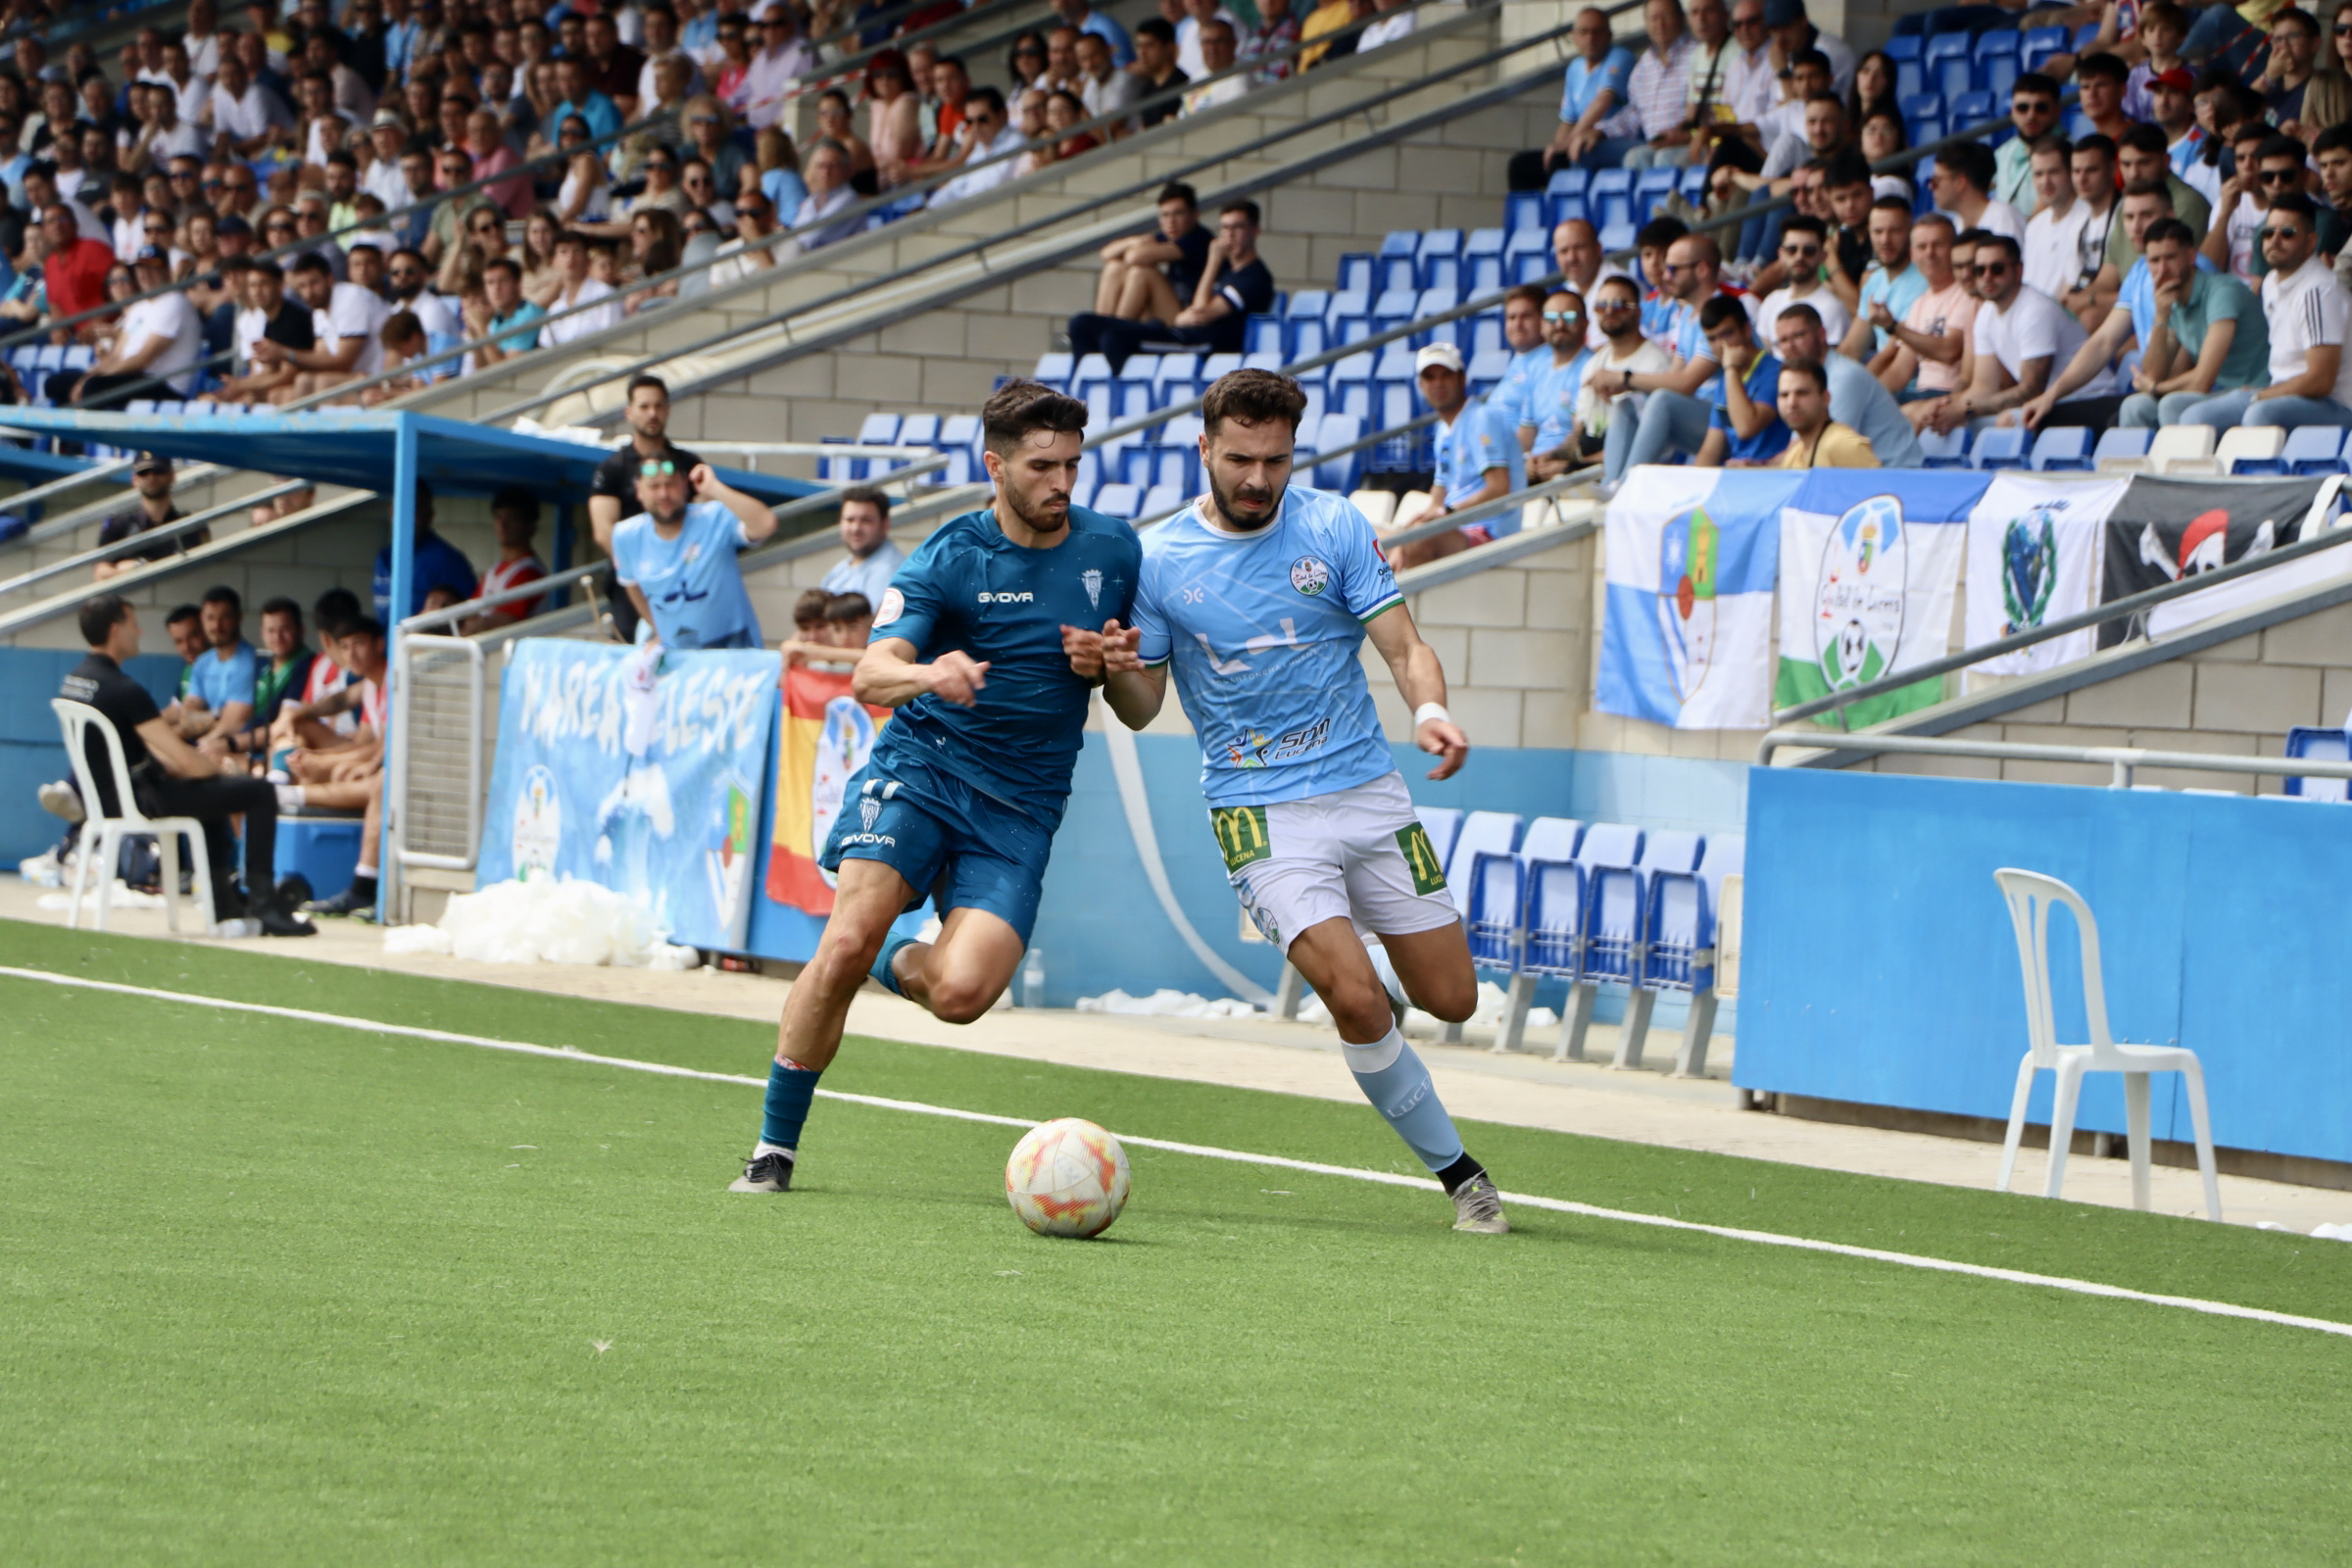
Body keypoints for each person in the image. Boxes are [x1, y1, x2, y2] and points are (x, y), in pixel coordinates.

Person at [1094, 368, 1502, 1233]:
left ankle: (1379, 973)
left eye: (1275, 461)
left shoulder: (1335, 525)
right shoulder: (1160, 560)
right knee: (1354, 1002)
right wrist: (1122, 674)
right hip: (1258, 810)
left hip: (1368, 794)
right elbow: (1142, 711)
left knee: (1455, 1000)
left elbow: (1406, 645)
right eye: (1240, 459)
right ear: (1204, 448)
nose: (1257, 479)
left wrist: (1430, 710)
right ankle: (1463, 1178)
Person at [729, 381, 1143, 1197]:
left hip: (1022, 807)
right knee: (840, 945)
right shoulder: (951, 557)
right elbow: (869, 673)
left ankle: (887, 945)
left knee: (959, 995)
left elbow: (1139, 705)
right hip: (925, 770)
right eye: (1041, 466)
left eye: (1072, 465)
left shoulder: (1114, 551)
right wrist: (929, 672)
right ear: (995, 466)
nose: (1061, 484)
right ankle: (775, 1148)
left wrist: (1109, 670)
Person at [62, 594, 313, 937]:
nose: (139, 631)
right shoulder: (123, 689)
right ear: (115, 630)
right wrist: (217, 769)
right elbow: (182, 757)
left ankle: (224, 904)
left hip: (107, 798)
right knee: (258, 791)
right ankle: (263, 904)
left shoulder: (74, 681)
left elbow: (148, 751)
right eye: (133, 623)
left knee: (209, 795)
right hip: (142, 799)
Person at [2180, 193, 2352, 431]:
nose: (2275, 240)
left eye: (2287, 233)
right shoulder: (2270, 282)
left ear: (2311, 241)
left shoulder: (2319, 290)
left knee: (2261, 414)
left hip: (2332, 404)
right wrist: (2266, 393)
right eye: (2268, 233)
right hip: (2281, 394)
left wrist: (2266, 394)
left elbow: (2320, 381)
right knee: (2189, 415)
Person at [1602, 230, 1751, 484]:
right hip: (1701, 416)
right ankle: (1611, 484)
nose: (1665, 274)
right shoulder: (1684, 315)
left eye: (1673, 268)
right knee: (1628, 405)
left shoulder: (1720, 314)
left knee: (1662, 400)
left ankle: (1627, 485)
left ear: (1702, 269)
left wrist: (1625, 377)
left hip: (1731, 419)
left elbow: (1686, 383)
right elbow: (1675, 376)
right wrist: (1630, 386)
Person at [1926, 234, 2108, 435]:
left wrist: (1965, 408)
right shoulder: (1986, 314)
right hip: (2049, 405)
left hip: (2090, 399)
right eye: (1979, 270)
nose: (1987, 276)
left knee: (2007, 421)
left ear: (2018, 270)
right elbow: (1984, 387)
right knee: (1945, 421)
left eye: (1997, 269)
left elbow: (2030, 391)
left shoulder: (2035, 310)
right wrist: (1946, 408)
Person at [1065, 198, 1274, 368]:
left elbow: (1200, 313)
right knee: (1081, 323)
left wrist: (1213, 261)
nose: (1229, 235)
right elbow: (1190, 312)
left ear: (1255, 231)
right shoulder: (1227, 269)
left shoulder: (1254, 276)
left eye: (1237, 228)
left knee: (1115, 339)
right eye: (1225, 228)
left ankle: (1123, 406)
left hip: (1203, 344)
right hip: (1180, 332)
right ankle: (1076, 399)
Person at [2115, 218, 2269, 427]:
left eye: (2170, 258)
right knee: (2134, 407)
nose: (2162, 269)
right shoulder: (2171, 299)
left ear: (2191, 256)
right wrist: (2161, 316)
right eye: (2154, 261)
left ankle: (2178, 462)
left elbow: (2202, 380)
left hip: (2255, 390)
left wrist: (2155, 388)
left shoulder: (2221, 292)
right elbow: (2153, 373)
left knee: (2172, 404)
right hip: (2220, 393)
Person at [611, 458, 778, 649]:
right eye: (654, 486)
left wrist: (714, 488)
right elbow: (631, 585)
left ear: (685, 486)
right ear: (639, 490)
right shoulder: (626, 535)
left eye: (671, 484)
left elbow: (766, 524)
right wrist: (659, 630)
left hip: (733, 647)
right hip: (679, 656)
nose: (664, 494)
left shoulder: (714, 517)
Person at [1387, 342, 1523, 568]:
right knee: (1369, 538)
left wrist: (1447, 513)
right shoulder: (1443, 430)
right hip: (1456, 529)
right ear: (1421, 385)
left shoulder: (1482, 418)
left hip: (1489, 532)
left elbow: (1499, 487)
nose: (1438, 383)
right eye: (1430, 377)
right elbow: (1437, 500)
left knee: (1417, 542)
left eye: (1445, 375)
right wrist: (1406, 533)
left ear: (1461, 379)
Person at [1772, 304, 1920, 466]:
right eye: (1783, 340)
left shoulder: (1844, 376)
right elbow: (1800, 450)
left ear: (1821, 334)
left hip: (1895, 476)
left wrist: (1758, 467)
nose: (1790, 346)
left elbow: (1823, 446)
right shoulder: (1802, 382)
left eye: (1798, 336)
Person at [591, 374, 704, 551]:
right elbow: (603, 532)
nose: (652, 414)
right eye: (644, 407)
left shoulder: (689, 464)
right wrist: (636, 571)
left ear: (668, 410)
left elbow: (704, 519)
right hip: (629, 574)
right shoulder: (612, 469)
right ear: (628, 413)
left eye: (658, 406)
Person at [1871, 214, 1972, 409]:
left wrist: (1894, 327)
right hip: (1919, 393)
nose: (1930, 253)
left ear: (1953, 249)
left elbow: (1949, 351)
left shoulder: (1966, 294)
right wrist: (1867, 397)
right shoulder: (1919, 303)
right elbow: (1900, 371)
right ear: (1912, 254)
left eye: (1938, 245)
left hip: (1949, 393)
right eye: (1922, 247)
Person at [1574, 274, 1669, 460]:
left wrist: (1577, 466)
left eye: (1619, 305)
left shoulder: (1657, 363)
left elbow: (1643, 446)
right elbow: (1579, 428)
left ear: (1638, 312)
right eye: (1601, 306)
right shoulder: (1593, 364)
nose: (1609, 311)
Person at [1092, 181, 1210, 325]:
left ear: (1195, 215)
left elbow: (1135, 257)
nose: (1170, 222)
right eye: (1165, 215)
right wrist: (1130, 241)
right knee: (1114, 267)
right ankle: (1100, 329)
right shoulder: (1168, 236)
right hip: (1168, 309)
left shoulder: (1199, 238)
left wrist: (1135, 247)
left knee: (1142, 273)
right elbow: (1105, 254)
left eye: (1178, 214)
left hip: (1189, 317)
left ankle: (1115, 331)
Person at [1690, 297, 1787, 467]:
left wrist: (1731, 369)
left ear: (1747, 330)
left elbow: (1745, 428)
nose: (1720, 346)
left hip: (1771, 471)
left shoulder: (1776, 372)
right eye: (1712, 339)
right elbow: (1711, 449)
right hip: (1737, 472)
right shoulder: (1724, 382)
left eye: (1727, 334)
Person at [371, 481, 478, 623]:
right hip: (390, 643)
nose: (405, 517)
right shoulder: (385, 556)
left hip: (426, 643)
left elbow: (469, 614)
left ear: (429, 515)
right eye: (399, 508)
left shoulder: (447, 559)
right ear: (390, 510)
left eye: (414, 509)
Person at [1613, 0, 1695, 172]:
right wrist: (1600, 131)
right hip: (1655, 144)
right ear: (1646, 23)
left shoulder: (1697, 55)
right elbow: (1634, 113)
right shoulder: (1643, 66)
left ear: (1681, 19)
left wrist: (1683, 135)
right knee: (1633, 158)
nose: (1660, 24)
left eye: (1666, 17)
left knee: (1664, 159)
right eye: (1654, 18)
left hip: (1690, 141)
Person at [93, 454, 205, 579]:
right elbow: (100, 573)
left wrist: (126, 567)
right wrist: (137, 566)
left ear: (172, 476)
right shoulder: (119, 524)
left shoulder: (189, 525)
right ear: (134, 480)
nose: (151, 477)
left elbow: (203, 570)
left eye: (158, 471)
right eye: (143, 473)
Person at [1522, 289, 1594, 479]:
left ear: (1585, 324)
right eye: (1552, 318)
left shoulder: (1592, 367)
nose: (1560, 324)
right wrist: (1525, 461)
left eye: (1569, 317)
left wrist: (1559, 461)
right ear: (1542, 326)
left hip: (1570, 468)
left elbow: (1583, 436)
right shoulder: (1537, 369)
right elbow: (1526, 435)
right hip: (1536, 468)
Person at [1841, 195, 1924, 363]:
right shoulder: (1874, 281)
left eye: (1894, 231)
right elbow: (1852, 347)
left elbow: (1895, 353)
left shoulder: (1925, 279)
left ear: (1910, 230)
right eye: (1878, 231)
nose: (1885, 240)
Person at [460, 487, 550, 632]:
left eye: (512, 518)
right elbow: (470, 612)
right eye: (498, 517)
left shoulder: (529, 572)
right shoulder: (493, 570)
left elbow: (502, 622)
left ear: (530, 526)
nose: (503, 524)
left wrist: (473, 626)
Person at [1753, 215, 1849, 348]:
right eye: (1792, 250)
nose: (1799, 256)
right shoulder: (1771, 302)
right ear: (1781, 254)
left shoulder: (1832, 307)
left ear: (1823, 256)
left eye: (1809, 251)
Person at [2022, 136, 2092, 307]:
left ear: (2071, 172)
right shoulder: (2034, 226)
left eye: (2054, 172)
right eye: (2038, 174)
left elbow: (2075, 288)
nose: (2045, 182)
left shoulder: (2089, 217)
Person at [1770, 358, 1874, 467]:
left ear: (1825, 398)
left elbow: (1880, 484)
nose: (1791, 403)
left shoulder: (1843, 444)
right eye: (1784, 395)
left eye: (1802, 393)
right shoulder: (1794, 455)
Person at [824, 484, 906, 607]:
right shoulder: (838, 571)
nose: (856, 528)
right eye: (850, 520)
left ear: (885, 525)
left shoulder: (890, 574)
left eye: (866, 520)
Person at [1931, 140, 2024, 245]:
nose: (1931, 186)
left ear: (1960, 183)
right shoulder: (1956, 225)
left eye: (1937, 180)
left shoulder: (2004, 218)